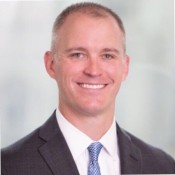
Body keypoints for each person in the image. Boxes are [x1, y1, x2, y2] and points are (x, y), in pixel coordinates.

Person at [1, 2, 175, 175]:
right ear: (51, 64)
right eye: (78, 55)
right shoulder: (8, 166)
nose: (93, 70)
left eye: (107, 56)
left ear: (125, 67)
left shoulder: (163, 166)